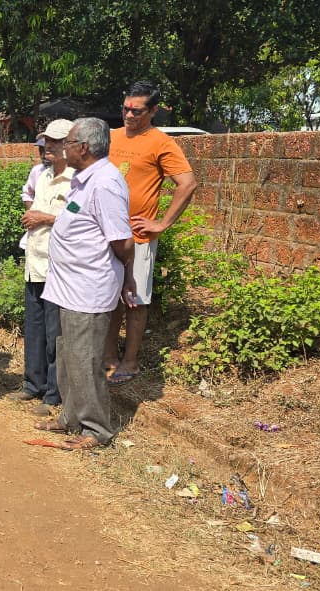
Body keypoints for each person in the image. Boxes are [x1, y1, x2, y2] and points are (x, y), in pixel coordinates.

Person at [35, 117, 137, 450]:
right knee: (66, 355)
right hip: (67, 287)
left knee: (85, 359)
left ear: (83, 148)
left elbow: (122, 241)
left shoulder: (106, 183)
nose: (62, 148)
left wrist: (127, 279)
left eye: (68, 143)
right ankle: (71, 417)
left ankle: (96, 430)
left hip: (88, 288)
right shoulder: (84, 180)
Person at [104, 81, 198, 385]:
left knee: (134, 300)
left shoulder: (161, 143)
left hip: (138, 236)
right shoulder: (110, 136)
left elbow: (187, 184)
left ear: (153, 110)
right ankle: (108, 357)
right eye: (125, 109)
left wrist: (162, 223)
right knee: (108, 298)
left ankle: (129, 362)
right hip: (105, 232)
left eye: (137, 111)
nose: (129, 115)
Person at [15, 119, 75, 417]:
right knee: (35, 327)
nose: (47, 146)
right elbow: (31, 204)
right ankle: (32, 383)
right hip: (35, 260)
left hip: (59, 266)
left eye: (55, 141)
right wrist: (36, 216)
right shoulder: (41, 175)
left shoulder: (78, 180)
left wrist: (46, 217)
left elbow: (79, 218)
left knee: (55, 332)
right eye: (46, 141)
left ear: (71, 145)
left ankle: (53, 393)